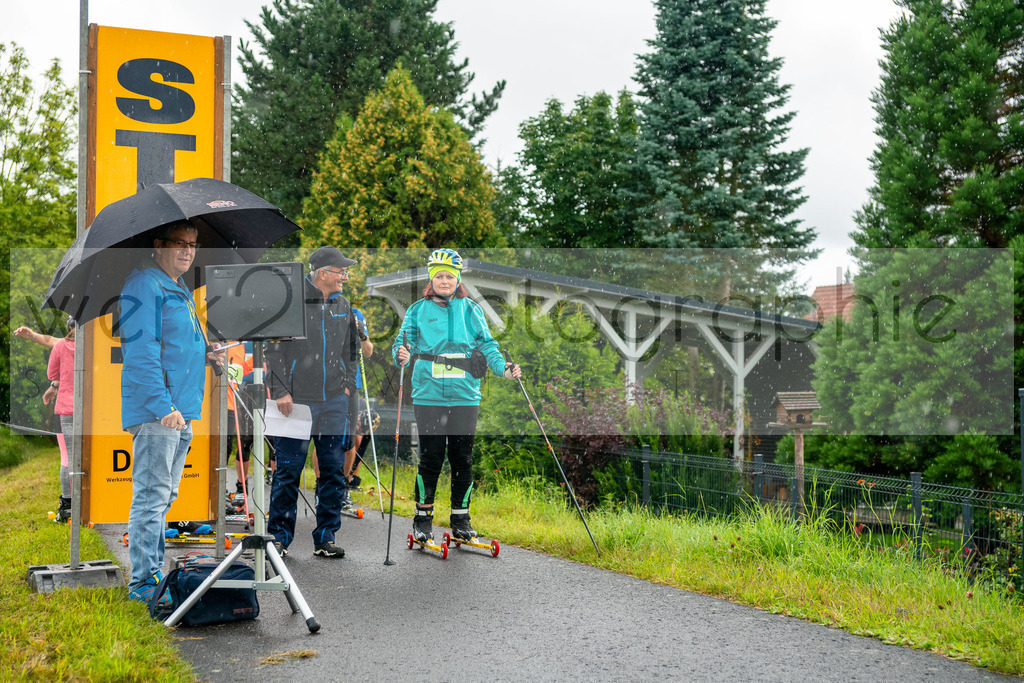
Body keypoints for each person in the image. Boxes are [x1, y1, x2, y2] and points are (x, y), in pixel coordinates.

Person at [118, 221, 223, 604]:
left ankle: (153, 574)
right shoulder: (145, 285)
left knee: (163, 496)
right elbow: (140, 354)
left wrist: (207, 354)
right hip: (159, 412)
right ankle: (143, 586)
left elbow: (178, 346)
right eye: (179, 243)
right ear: (158, 245)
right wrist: (164, 408)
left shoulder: (178, 288)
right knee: (151, 497)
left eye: (192, 245)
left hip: (181, 411)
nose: (187, 251)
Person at [392, 248, 521, 543]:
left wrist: (504, 369)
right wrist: (400, 355)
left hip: (465, 395)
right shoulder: (417, 310)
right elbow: (402, 344)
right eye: (439, 276)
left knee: (462, 458)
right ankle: (423, 519)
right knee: (431, 457)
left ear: (458, 279)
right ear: (431, 279)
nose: (444, 281)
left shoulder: (471, 309)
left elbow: (488, 346)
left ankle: (461, 518)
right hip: (429, 395)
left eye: (449, 276)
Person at [265, 246, 359, 559]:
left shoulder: (344, 305)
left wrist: (347, 387)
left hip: (334, 401)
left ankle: (326, 537)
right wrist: (280, 390)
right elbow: (274, 349)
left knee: (332, 471)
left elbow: (351, 351)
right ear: (321, 273)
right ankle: (279, 538)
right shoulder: (291, 302)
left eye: (346, 270)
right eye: (340, 270)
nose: (345, 276)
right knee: (288, 472)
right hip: (296, 402)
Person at [43, 317, 77, 522]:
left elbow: (52, 374)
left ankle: (67, 507)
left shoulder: (60, 347)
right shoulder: (92, 347)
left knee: (68, 458)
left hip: (66, 409)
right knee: (87, 457)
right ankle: (88, 503)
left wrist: (57, 383)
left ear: (70, 328)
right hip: (90, 408)